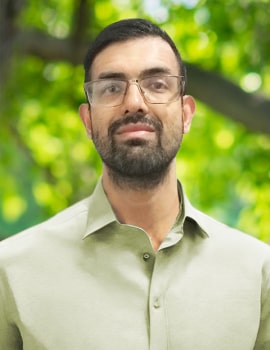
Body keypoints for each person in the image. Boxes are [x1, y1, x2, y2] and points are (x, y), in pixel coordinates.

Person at [0, 18, 269, 350]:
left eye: (157, 84)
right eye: (112, 87)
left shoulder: (258, 272)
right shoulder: (11, 272)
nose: (135, 102)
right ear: (87, 119)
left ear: (186, 114)